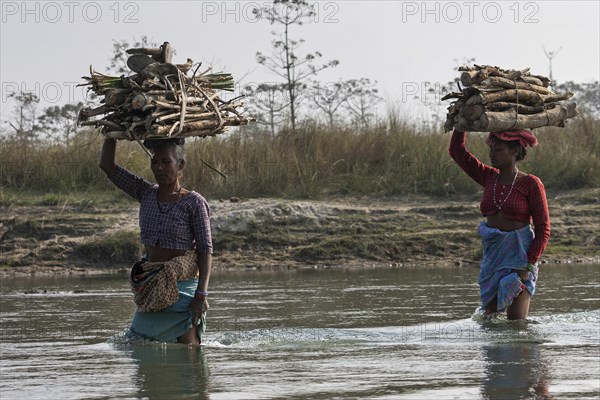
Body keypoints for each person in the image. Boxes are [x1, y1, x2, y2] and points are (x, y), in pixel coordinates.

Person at [100, 137, 212, 344]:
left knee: (189, 358)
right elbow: (107, 166)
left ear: (180, 165)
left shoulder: (194, 202)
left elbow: (205, 251)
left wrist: (201, 295)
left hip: (183, 292)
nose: (159, 167)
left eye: (166, 162)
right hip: (152, 285)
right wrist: (112, 132)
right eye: (154, 161)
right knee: (141, 347)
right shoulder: (145, 192)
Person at [449, 129, 550, 320]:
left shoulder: (531, 183)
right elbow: (457, 151)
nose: (492, 154)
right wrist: (460, 123)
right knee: (488, 320)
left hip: (520, 259)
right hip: (493, 258)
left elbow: (543, 228)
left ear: (515, 151)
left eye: (499, 149)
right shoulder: (488, 177)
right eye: (491, 149)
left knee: (516, 325)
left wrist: (527, 265)